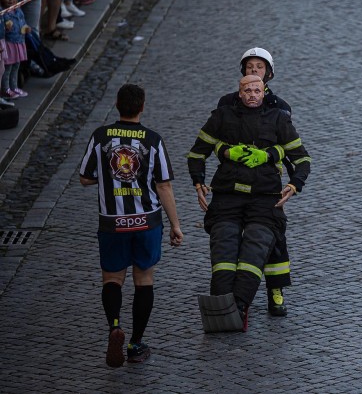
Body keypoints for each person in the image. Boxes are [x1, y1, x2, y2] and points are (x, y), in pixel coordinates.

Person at [188, 75, 311, 331]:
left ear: (264, 92)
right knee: (224, 245)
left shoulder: (279, 118)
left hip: (264, 198)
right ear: (239, 93)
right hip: (227, 195)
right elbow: (197, 153)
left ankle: (239, 306)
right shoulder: (222, 116)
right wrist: (198, 182)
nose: (252, 94)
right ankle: (222, 307)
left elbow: (302, 159)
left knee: (255, 247)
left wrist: (294, 185)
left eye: (257, 90)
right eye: (247, 90)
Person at [78, 83, 183, 367]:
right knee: (143, 280)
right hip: (146, 223)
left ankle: (114, 327)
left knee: (112, 279)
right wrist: (175, 225)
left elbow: (85, 178)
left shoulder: (101, 137)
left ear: (117, 105)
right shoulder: (153, 140)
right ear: (142, 106)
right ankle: (136, 344)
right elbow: (164, 186)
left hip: (112, 223)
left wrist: (109, 178)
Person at [215, 47, 294, 317]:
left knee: (274, 238)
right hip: (233, 182)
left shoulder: (280, 107)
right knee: (226, 237)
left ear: (269, 73)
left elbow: (289, 144)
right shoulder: (227, 103)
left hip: (267, 183)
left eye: (259, 67)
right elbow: (215, 140)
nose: (253, 71)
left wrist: (287, 174)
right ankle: (228, 293)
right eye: (249, 66)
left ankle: (276, 291)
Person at [1, 0, 31, 100]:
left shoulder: (18, 10)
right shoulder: (3, 12)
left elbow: (22, 22)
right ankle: (5, 89)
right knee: (7, 68)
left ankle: (14, 87)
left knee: (16, 66)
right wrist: (5, 26)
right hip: (9, 44)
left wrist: (26, 27)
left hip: (18, 42)